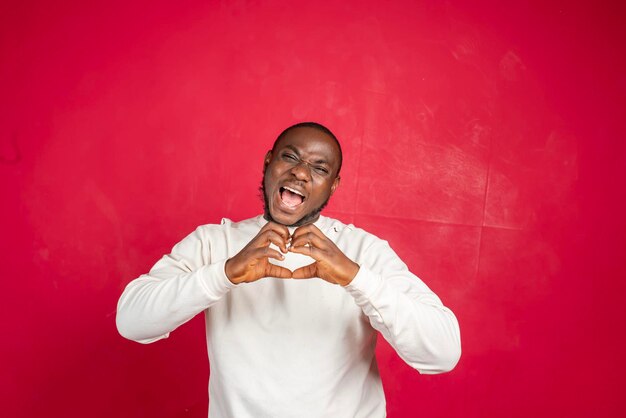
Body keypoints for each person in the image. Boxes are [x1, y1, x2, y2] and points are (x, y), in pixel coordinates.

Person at [116, 122, 461, 418]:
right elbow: (132, 322)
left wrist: (355, 278)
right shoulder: (214, 242)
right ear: (269, 162)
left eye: (319, 168)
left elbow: (442, 353)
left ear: (333, 185)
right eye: (290, 157)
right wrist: (225, 273)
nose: (300, 172)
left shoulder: (362, 251)